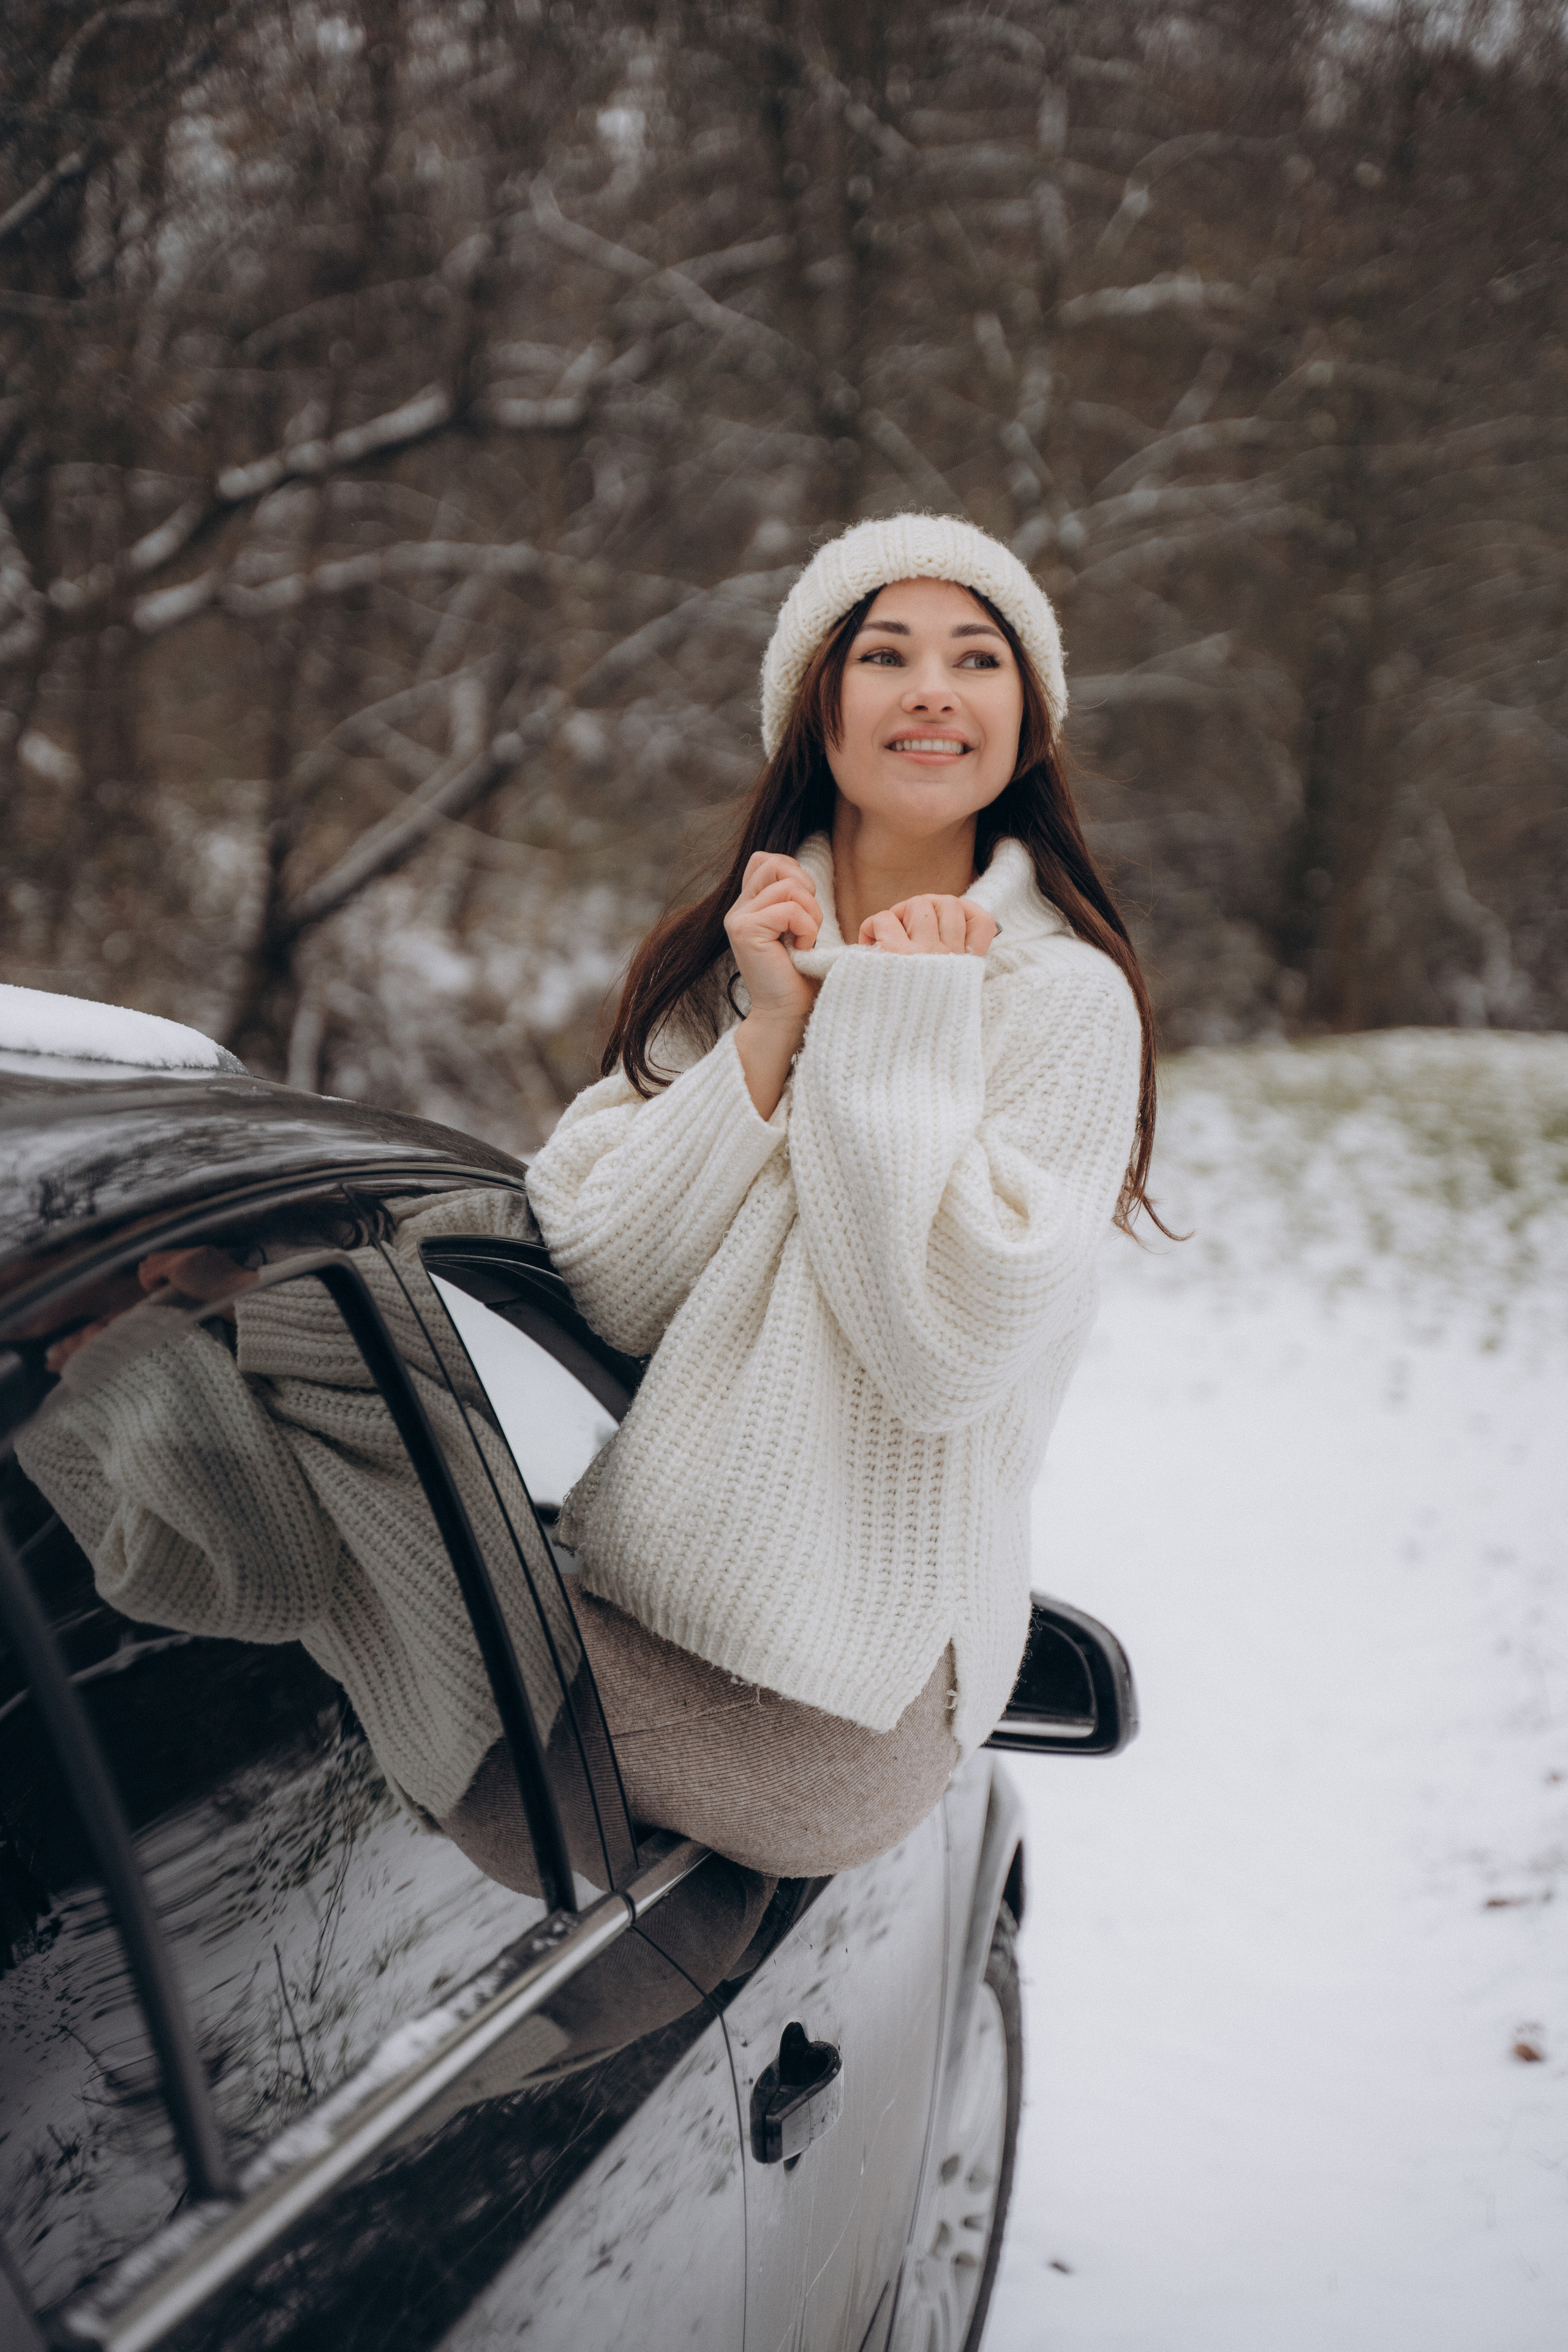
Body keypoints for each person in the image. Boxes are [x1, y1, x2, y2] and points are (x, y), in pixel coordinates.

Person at [523, 511, 1163, 1877]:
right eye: (885, 653)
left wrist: (895, 1012)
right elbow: (604, 1278)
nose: (932, 687)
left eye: (976, 659)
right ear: (815, 711)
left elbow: (943, 1351)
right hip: (648, 1602)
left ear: (1025, 725)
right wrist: (763, 1034)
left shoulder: (1065, 1002)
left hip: (840, 1687)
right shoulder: (739, 958)